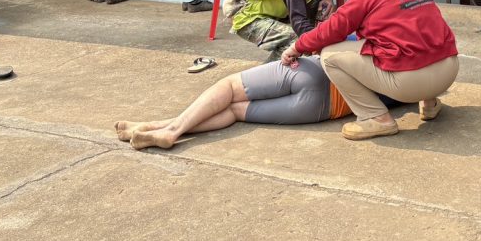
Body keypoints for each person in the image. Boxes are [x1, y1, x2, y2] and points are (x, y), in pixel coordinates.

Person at [280, 0, 459, 141]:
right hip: (448, 72)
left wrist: (297, 46)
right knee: (418, 36)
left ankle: (376, 118)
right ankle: (430, 104)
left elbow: (332, 29)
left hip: (410, 84)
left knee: (329, 56)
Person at [115, 57, 399, 151]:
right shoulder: (408, 84)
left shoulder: (375, 26)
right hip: (324, 108)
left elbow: (331, 36)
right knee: (235, 110)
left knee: (229, 88)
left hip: (311, 70)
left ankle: (170, 129)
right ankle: (156, 128)